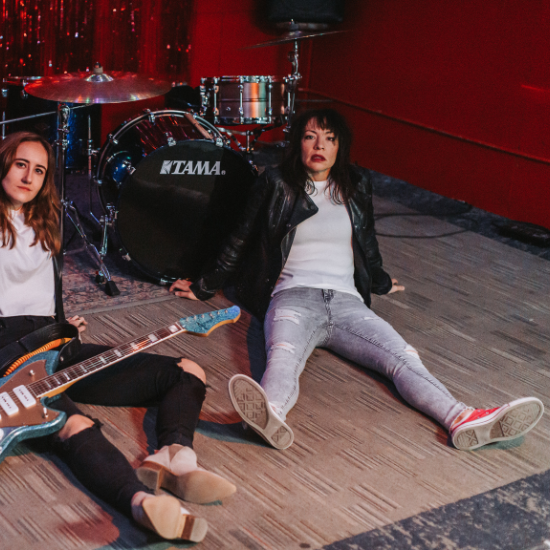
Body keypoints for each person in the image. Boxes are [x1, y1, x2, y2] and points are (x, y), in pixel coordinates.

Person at [0, 132, 236, 542]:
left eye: (39, 170)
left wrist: (60, 324)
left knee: (185, 370)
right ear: (4, 164)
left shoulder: (51, 215)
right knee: (67, 420)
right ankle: (139, 502)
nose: (28, 177)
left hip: (54, 342)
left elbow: (44, 285)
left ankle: (176, 457)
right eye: (21, 164)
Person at [170, 109, 544, 452]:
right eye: (310, 137)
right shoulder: (276, 183)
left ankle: (461, 418)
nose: (319, 146)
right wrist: (203, 285)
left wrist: (379, 281)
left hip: (348, 303)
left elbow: (366, 240)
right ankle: (269, 414)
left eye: (329, 139)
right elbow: (240, 236)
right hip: (293, 297)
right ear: (297, 142)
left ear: (340, 147)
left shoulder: (355, 184)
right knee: (283, 356)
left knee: (402, 357)